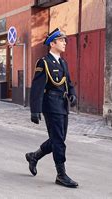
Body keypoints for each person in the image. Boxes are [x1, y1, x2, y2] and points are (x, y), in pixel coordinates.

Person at [25, 28, 78, 188]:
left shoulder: (63, 62)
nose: (64, 43)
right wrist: (35, 109)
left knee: (58, 139)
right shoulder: (44, 62)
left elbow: (68, 82)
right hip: (51, 105)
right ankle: (61, 175)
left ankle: (34, 156)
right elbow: (37, 87)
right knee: (59, 141)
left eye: (64, 40)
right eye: (61, 40)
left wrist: (72, 94)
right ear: (52, 43)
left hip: (62, 105)